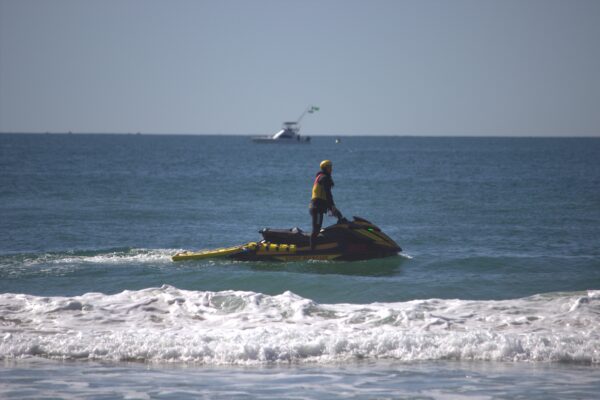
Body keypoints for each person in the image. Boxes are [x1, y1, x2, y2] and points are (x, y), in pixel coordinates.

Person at [309, 159, 344, 250]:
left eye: (331, 167)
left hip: (320, 205)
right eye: (329, 167)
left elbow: (325, 196)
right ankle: (312, 251)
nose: (331, 169)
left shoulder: (321, 176)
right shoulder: (324, 178)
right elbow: (328, 194)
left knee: (340, 217)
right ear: (325, 168)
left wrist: (332, 208)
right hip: (317, 206)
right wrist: (332, 206)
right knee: (316, 229)